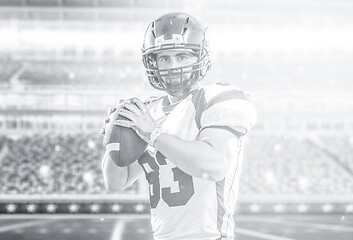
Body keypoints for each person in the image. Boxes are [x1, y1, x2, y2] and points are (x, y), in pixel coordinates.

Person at [101, 12, 256, 240]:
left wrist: (153, 134)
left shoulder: (217, 98)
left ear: (198, 57)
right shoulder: (147, 111)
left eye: (182, 56)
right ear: (153, 63)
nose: (173, 66)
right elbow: (116, 182)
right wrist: (113, 140)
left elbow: (215, 166)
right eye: (164, 58)